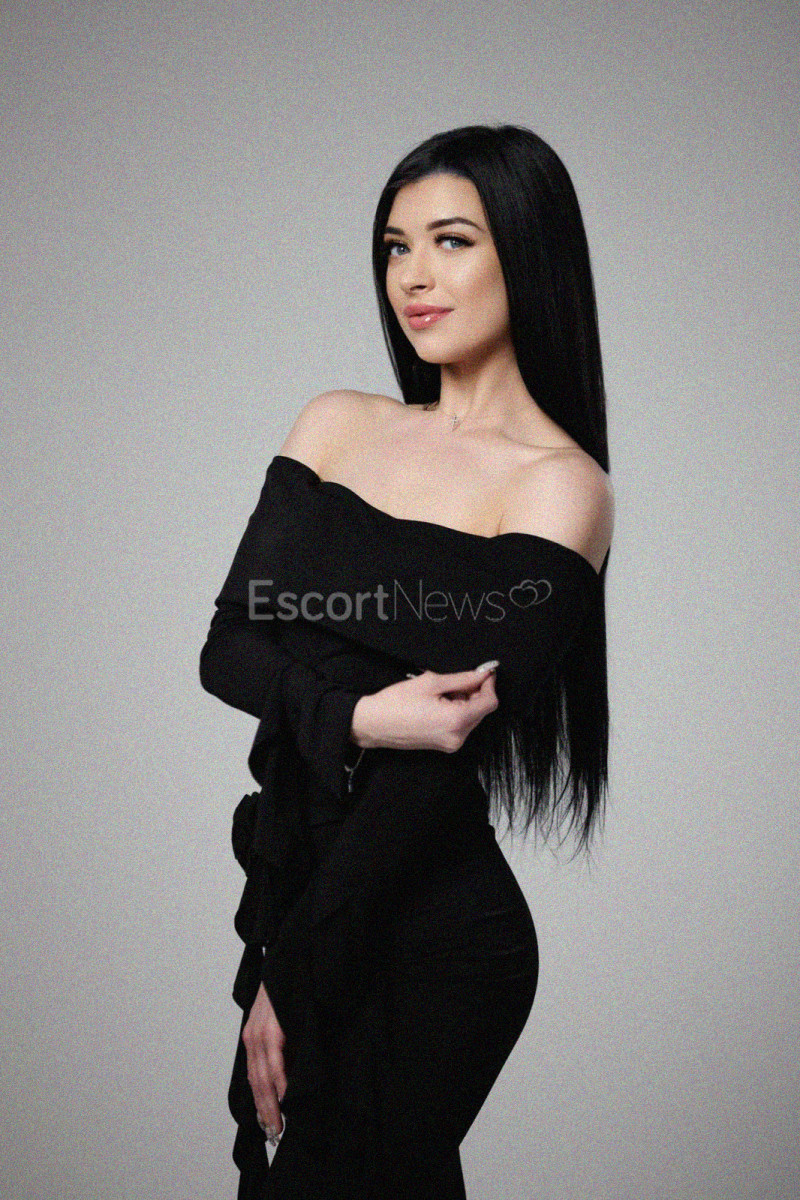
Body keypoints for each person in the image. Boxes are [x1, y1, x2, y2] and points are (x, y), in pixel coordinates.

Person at [200, 123, 614, 1199]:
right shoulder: (338, 424)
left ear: (526, 254)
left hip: (438, 936)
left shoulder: (559, 487)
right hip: (311, 898)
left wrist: (294, 976)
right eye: (395, 246)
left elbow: (432, 774)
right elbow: (227, 647)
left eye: (451, 241)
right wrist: (361, 719)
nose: (413, 276)